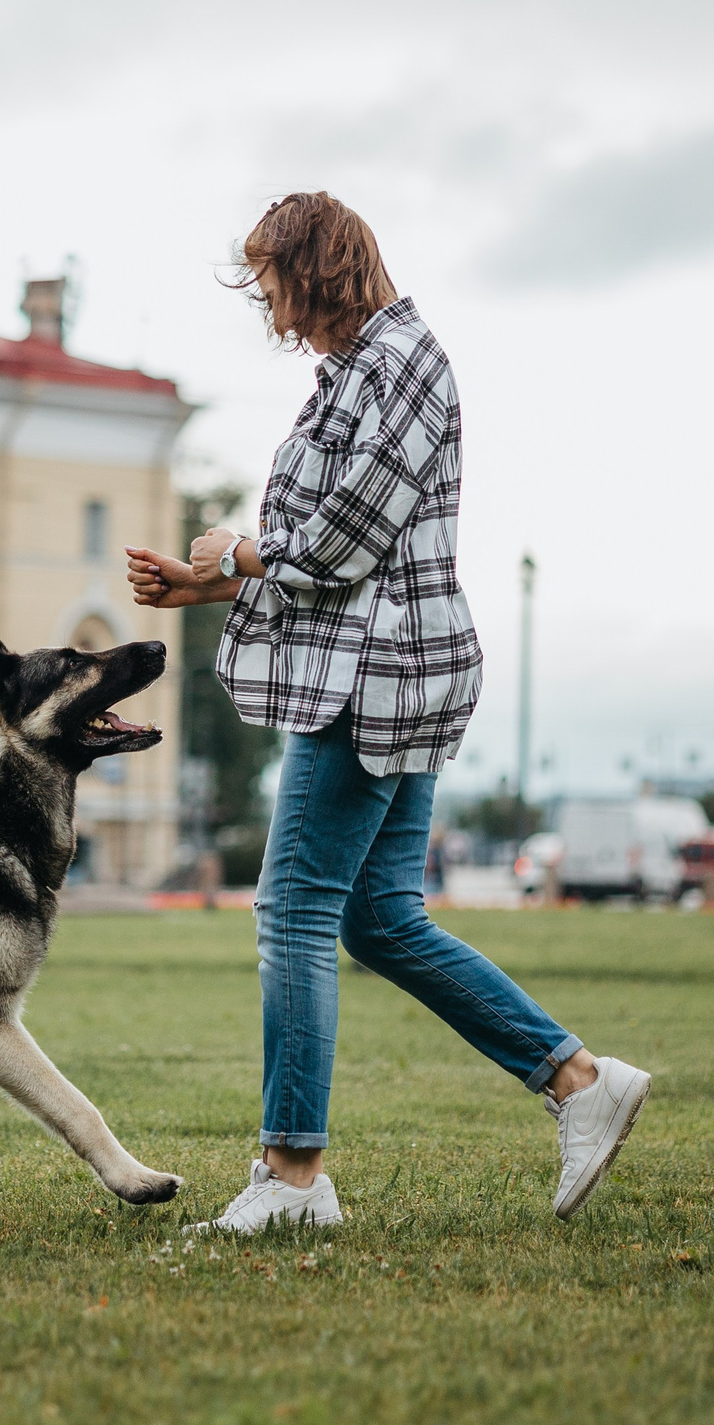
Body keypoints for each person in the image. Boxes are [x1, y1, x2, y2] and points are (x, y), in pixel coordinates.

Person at [126, 192, 650, 1234]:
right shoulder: (353, 372)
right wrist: (214, 585)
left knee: (294, 911)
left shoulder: (401, 363)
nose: (263, 299)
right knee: (378, 915)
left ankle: (292, 1177)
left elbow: (346, 539)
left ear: (313, 267)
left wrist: (234, 549)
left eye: (269, 276)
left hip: (375, 678)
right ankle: (577, 1079)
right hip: (376, 662)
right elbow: (343, 554)